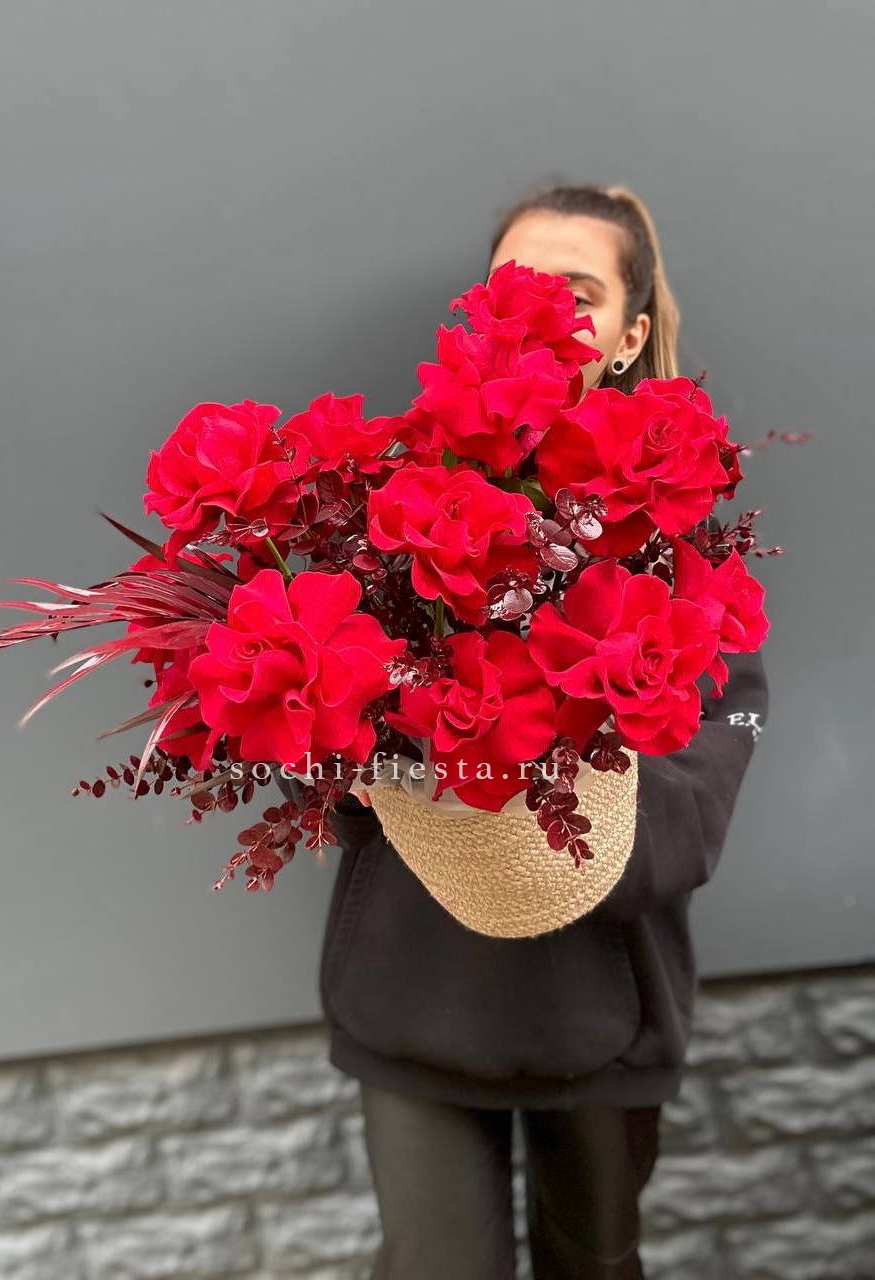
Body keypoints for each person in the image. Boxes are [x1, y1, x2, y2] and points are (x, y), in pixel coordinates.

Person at [277, 181, 770, 1280]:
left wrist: (553, 818)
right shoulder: (388, 508)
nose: (543, 314)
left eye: (577, 295)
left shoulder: (681, 537)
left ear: (629, 336)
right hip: (413, 996)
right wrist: (365, 751)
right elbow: (320, 742)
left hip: (599, 1010)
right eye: (517, 289)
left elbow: (714, 747)